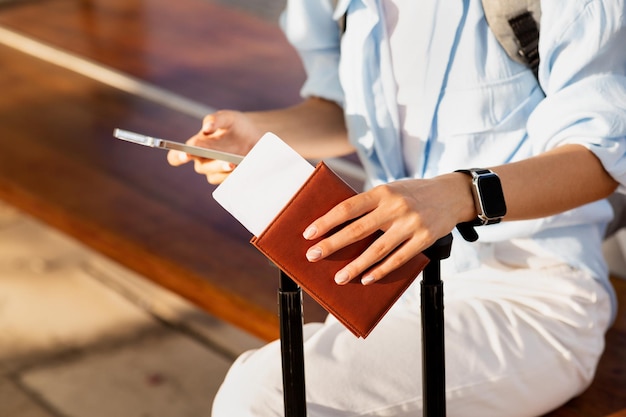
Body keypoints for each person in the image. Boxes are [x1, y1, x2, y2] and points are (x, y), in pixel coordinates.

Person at [168, 0, 626, 416]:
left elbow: (600, 158)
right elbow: (346, 114)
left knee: (263, 397)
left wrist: (457, 195)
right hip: (391, 287)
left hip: (530, 296)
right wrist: (257, 133)